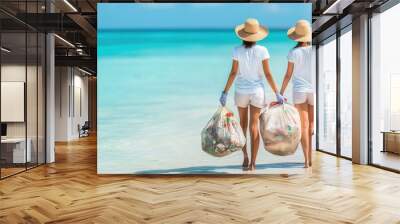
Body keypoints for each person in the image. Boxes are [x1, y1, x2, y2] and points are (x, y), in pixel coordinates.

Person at [220, 18, 284, 171]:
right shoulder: (263, 50)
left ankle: (245, 157)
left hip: (241, 91)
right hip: (257, 92)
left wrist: (225, 92)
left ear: (243, 35)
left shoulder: (236, 50)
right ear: (257, 35)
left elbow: (234, 72)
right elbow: (268, 73)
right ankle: (253, 163)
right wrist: (277, 92)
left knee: (242, 125)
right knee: (253, 126)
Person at [279, 20, 314, 168]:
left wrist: (280, 92)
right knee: (311, 125)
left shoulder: (293, 52)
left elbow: (288, 75)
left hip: (299, 91)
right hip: (313, 90)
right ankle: (312, 158)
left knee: (303, 127)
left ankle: (306, 160)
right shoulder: (314, 50)